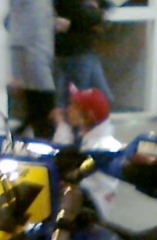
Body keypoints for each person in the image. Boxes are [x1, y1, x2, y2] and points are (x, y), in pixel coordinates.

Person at [8, 0, 67, 140]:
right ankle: (42, 151)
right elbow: (17, 30)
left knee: (35, 115)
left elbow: (35, 20)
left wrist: (53, 22)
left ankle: (15, 143)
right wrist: (16, 73)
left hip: (40, 57)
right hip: (33, 62)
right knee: (45, 115)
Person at [53, 0, 113, 108]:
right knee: (82, 102)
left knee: (97, 100)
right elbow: (74, 12)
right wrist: (97, 15)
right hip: (76, 48)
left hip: (80, 47)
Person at [52, 84, 121, 217]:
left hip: (86, 211)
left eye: (73, 107)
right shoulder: (90, 137)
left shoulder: (102, 148)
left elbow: (62, 158)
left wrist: (62, 125)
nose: (68, 109)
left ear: (87, 116)